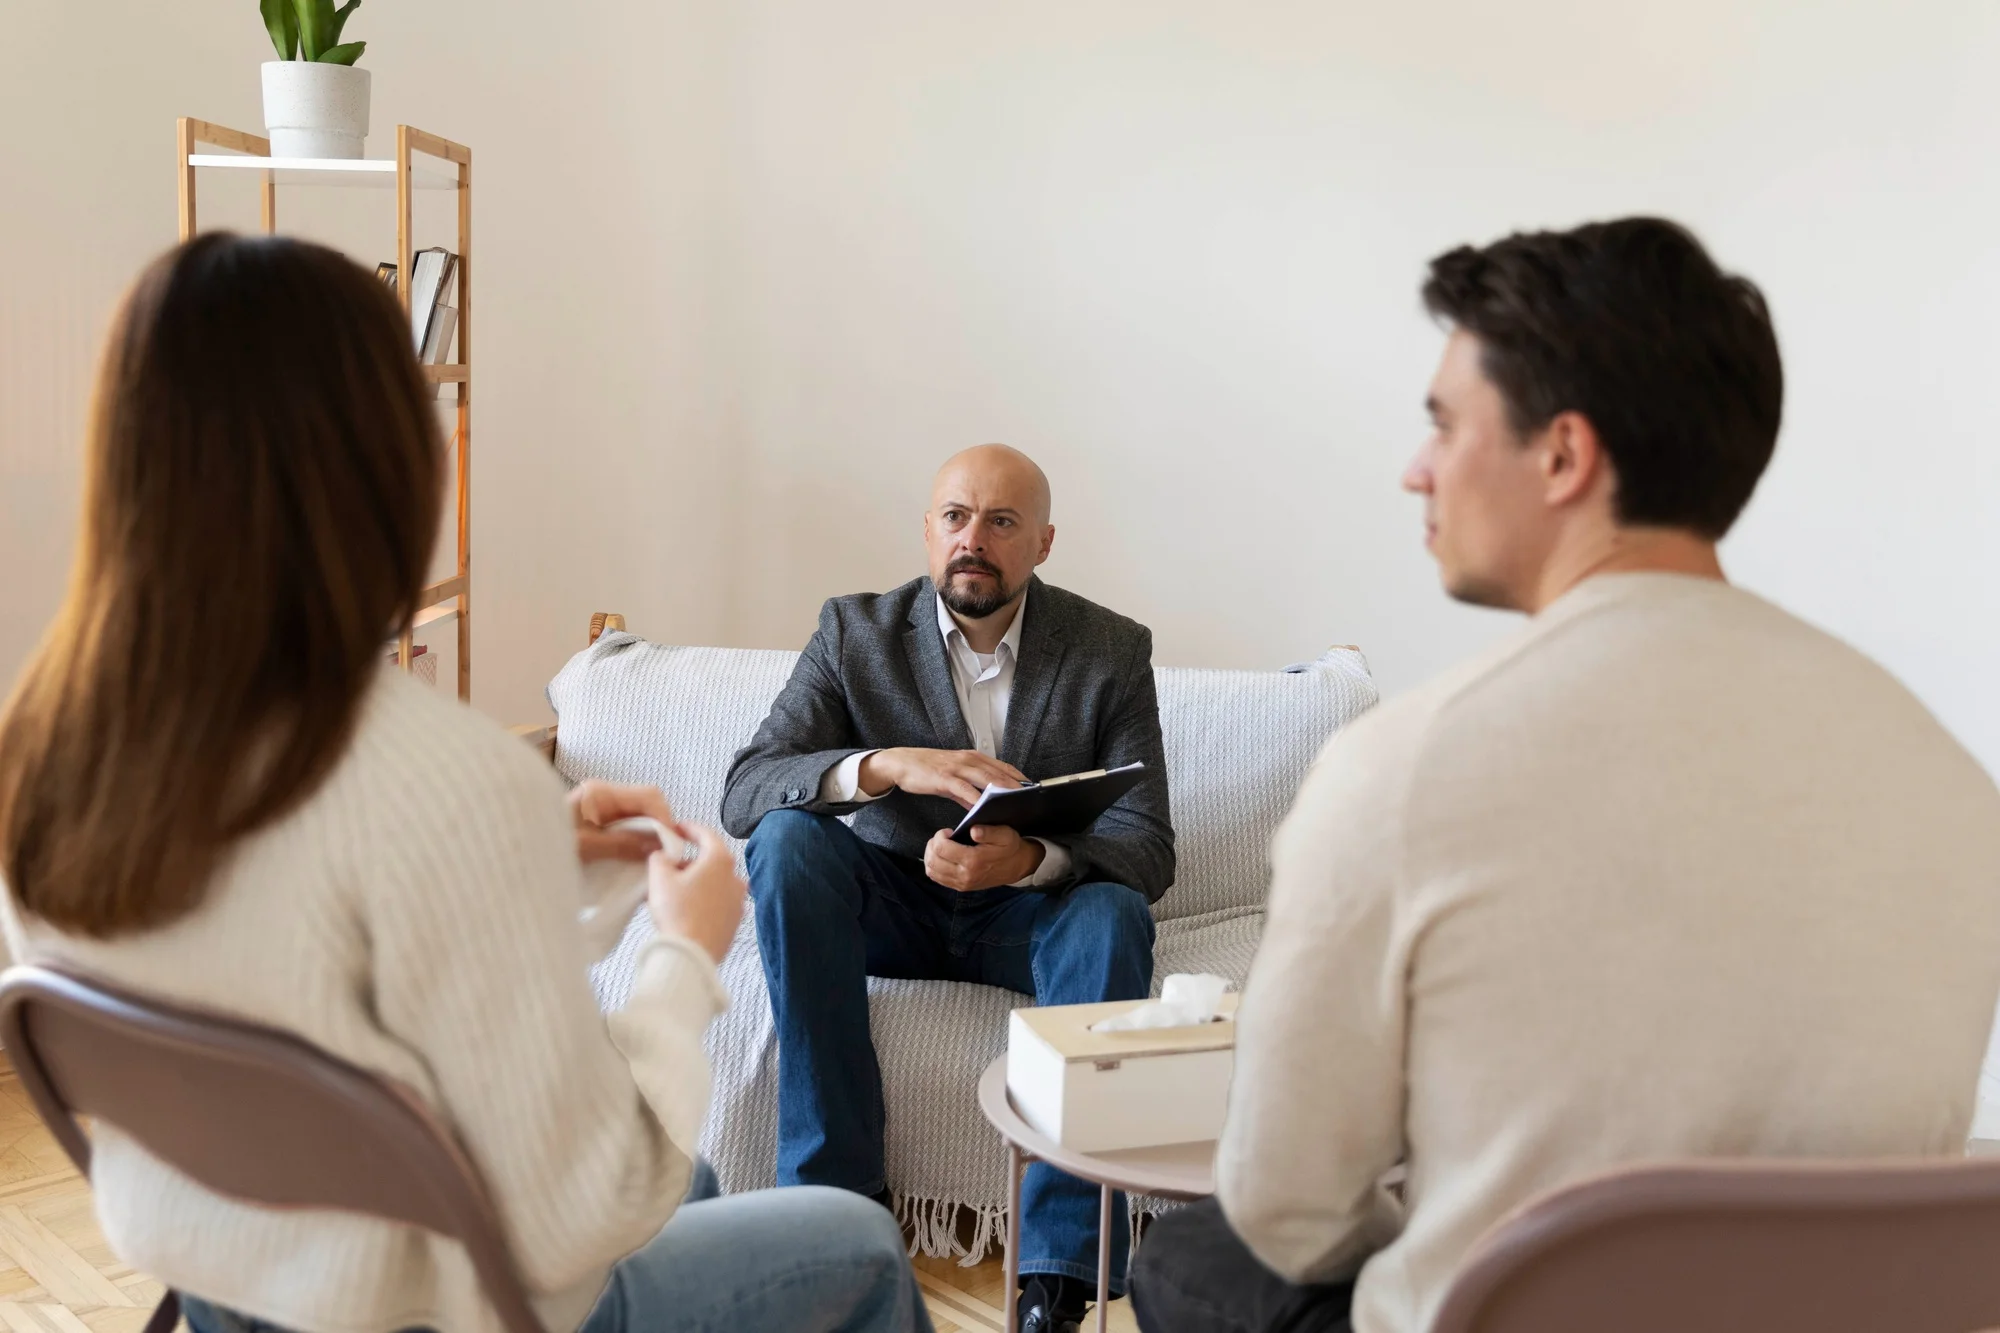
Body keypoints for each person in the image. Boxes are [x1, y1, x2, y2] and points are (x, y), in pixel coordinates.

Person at [0, 233, 933, 1333]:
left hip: (229, 1283)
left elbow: (330, 961)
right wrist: (684, 955)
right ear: (381, 462)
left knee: (701, 1194)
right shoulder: (437, 777)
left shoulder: (51, 744)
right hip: (446, 1307)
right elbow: (589, 1204)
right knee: (853, 1240)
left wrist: (536, 848)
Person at [1130, 217, 2000, 1333]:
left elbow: (1288, 1212)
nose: (1415, 468)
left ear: (1562, 454)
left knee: (1193, 1258)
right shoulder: (1948, 780)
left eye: (1444, 424)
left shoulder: (1400, 768)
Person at [722, 444, 1175, 1333]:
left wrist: (1031, 861)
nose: (975, 539)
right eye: (956, 517)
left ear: (1043, 543)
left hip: (1025, 915)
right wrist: (888, 765)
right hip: (889, 902)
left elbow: (1147, 844)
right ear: (928, 532)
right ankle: (836, 1207)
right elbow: (747, 787)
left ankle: (1055, 1277)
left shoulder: (1111, 649)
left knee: (1113, 910)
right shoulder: (854, 631)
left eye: (1002, 521)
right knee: (785, 842)